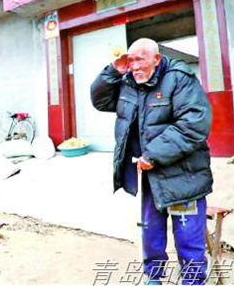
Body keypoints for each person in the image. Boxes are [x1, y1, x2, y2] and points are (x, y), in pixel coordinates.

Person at [90, 38, 212, 285]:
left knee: (188, 235)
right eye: (131, 60)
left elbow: (194, 124)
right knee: (151, 231)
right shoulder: (130, 82)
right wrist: (113, 71)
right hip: (151, 174)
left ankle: (193, 281)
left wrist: (153, 154)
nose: (134, 66)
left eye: (140, 59)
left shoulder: (179, 78)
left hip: (183, 174)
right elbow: (100, 101)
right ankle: (153, 278)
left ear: (156, 59)